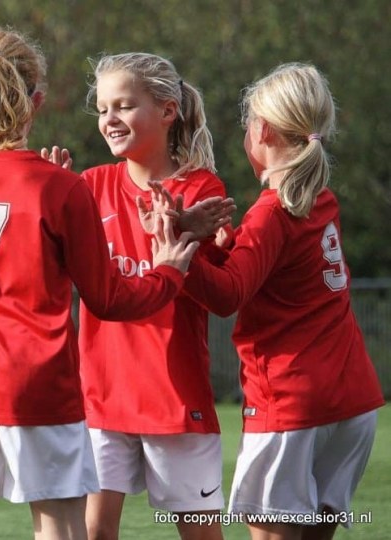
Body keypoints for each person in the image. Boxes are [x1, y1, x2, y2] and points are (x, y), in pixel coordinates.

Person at [0, 28, 201, 540]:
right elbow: (110, 298)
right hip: (39, 382)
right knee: (61, 528)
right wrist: (169, 272)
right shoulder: (63, 188)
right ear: (36, 100)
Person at [162, 62, 384, 540]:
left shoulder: (272, 211)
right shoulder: (319, 198)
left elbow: (228, 296)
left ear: (260, 130)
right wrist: (223, 246)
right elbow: (280, 274)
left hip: (291, 401)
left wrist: (176, 257)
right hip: (352, 400)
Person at [45, 52, 233, 540]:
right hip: (101, 397)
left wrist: (182, 239)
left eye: (124, 106)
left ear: (168, 111)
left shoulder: (200, 187)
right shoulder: (88, 186)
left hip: (174, 396)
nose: (109, 119)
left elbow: (219, 289)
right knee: (93, 531)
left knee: (199, 532)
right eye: (103, 109)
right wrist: (45, 192)